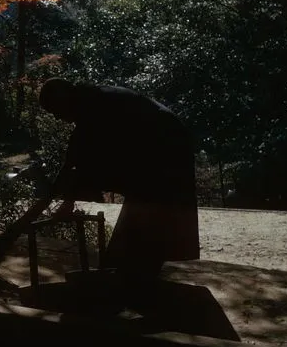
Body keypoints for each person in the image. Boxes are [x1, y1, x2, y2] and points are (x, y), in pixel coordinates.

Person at [38, 78, 200, 281]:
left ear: (63, 100)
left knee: (153, 202)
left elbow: (81, 160)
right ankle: (133, 264)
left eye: (56, 112)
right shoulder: (90, 102)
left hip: (165, 144)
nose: (59, 118)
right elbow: (74, 157)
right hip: (159, 142)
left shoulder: (95, 106)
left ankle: (136, 265)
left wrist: (67, 201)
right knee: (145, 200)